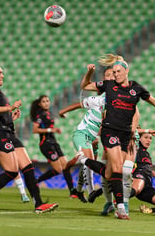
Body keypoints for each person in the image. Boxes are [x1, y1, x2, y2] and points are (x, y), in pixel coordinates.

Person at [78, 54, 155, 220]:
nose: (115, 74)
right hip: (110, 131)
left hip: (125, 134)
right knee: (117, 168)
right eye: (114, 72)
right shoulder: (108, 85)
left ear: (126, 71)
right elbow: (85, 85)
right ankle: (121, 207)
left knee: (109, 174)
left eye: (118, 71)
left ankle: (84, 160)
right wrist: (90, 72)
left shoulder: (136, 89)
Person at [0, 63, 57, 213]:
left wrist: (10, 117)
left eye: (2, 73)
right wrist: (10, 107)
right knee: (12, 171)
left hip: (8, 132)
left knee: (28, 166)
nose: (2, 75)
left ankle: (38, 204)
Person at [59, 67, 115, 205]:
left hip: (93, 137)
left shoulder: (113, 100)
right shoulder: (97, 99)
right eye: (108, 75)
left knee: (87, 164)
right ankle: (90, 192)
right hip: (82, 134)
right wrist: (62, 111)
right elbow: (78, 104)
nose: (111, 77)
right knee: (89, 163)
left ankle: (78, 190)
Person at [29, 95, 78, 199]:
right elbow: (35, 129)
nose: (46, 103)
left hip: (54, 143)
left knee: (66, 166)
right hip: (46, 144)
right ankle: (36, 181)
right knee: (58, 169)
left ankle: (72, 192)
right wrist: (51, 130)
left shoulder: (48, 114)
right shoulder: (39, 115)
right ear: (39, 104)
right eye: (44, 101)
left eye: (47, 101)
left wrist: (62, 115)